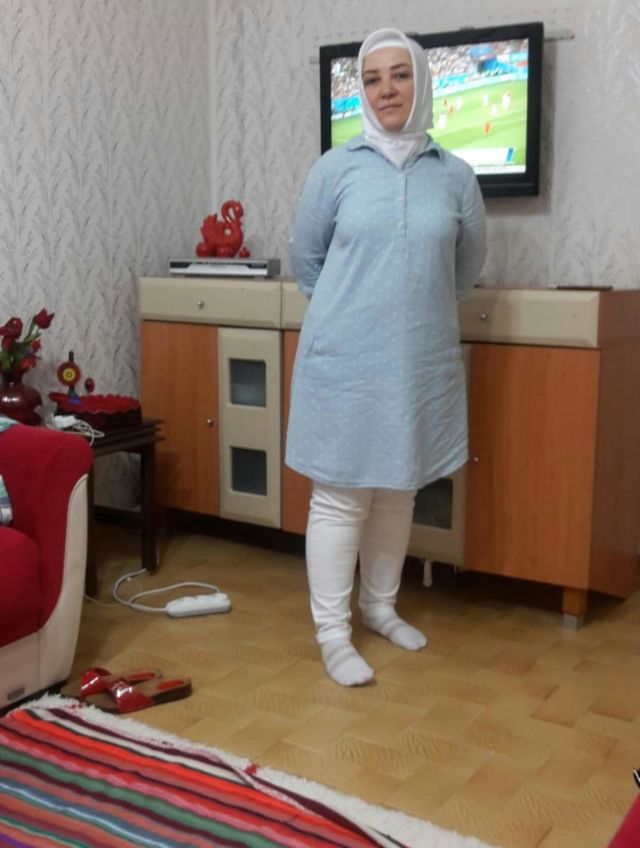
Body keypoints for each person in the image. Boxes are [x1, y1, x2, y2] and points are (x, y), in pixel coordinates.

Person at [286, 27, 487, 687]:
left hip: (418, 364)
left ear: (422, 81)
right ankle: (332, 634)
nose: (387, 90)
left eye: (400, 75)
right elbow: (307, 263)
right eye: (372, 79)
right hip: (343, 364)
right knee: (341, 497)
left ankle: (379, 608)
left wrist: (407, 315)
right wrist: (360, 315)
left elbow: (465, 269)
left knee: (399, 490)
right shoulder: (334, 170)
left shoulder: (455, 177)